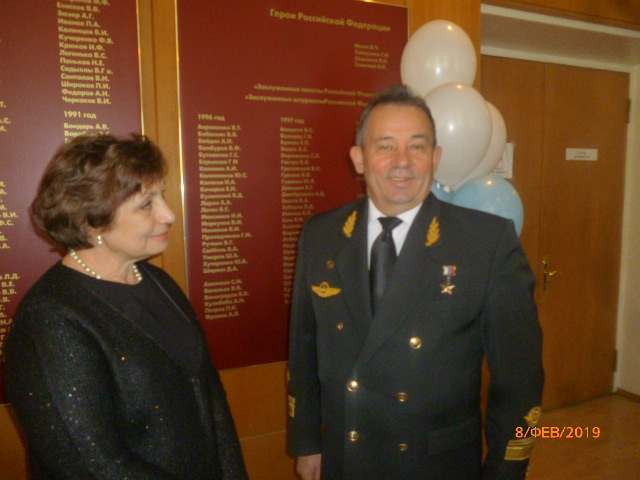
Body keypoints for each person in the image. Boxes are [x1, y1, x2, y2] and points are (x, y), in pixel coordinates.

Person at [287, 85, 544, 480]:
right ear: (359, 158)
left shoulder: (487, 243)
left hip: (435, 464)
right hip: (345, 458)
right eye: (385, 146)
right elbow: (303, 351)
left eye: (417, 146)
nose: (402, 161)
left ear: (436, 158)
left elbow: (518, 380)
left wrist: (505, 471)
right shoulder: (321, 235)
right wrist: (307, 442)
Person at [5, 133, 248, 480]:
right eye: (146, 204)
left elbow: (212, 400)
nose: (169, 215)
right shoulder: (50, 319)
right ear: (92, 222)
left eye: (162, 195)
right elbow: (92, 464)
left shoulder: (158, 282)